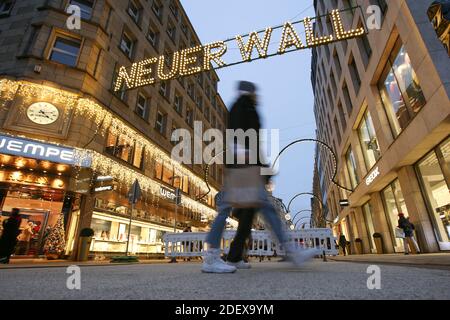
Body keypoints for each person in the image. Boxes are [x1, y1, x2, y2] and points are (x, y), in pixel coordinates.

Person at [201, 81, 318, 273]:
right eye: (255, 92)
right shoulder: (243, 106)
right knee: (242, 207)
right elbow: (242, 134)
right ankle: (212, 257)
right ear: (250, 92)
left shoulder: (244, 106)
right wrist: (255, 163)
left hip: (243, 163)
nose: (258, 96)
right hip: (244, 164)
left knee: (253, 206)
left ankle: (232, 256)